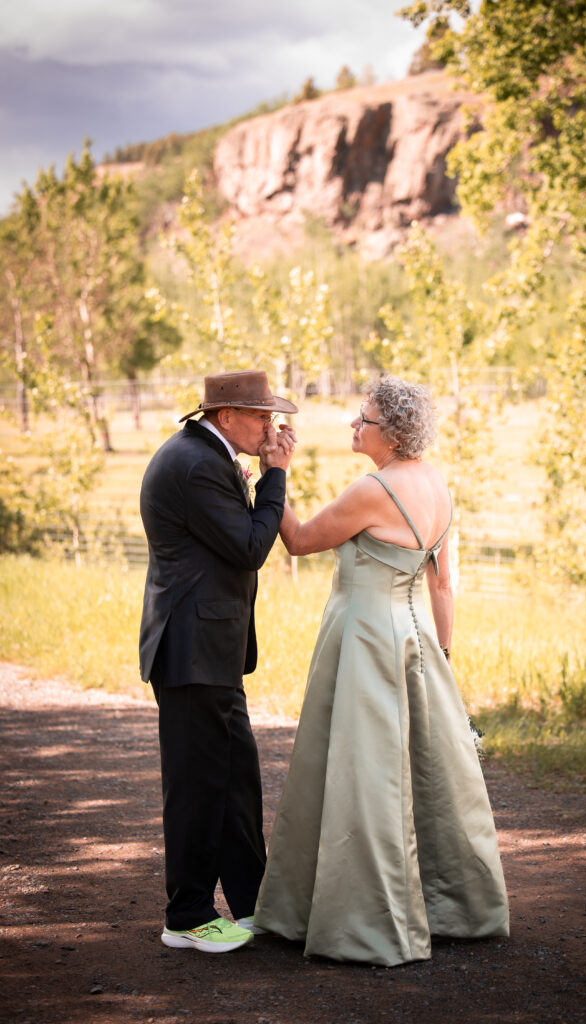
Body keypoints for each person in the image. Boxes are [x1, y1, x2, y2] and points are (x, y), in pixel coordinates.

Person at [254, 376, 509, 966]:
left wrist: (273, 478)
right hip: (415, 635)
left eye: (362, 419)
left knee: (363, 777)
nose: (353, 425)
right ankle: (452, 909)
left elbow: (296, 540)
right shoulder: (437, 484)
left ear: (391, 433)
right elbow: (442, 583)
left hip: (366, 638)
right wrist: (441, 657)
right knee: (425, 776)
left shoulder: (373, 489)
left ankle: (368, 922)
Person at [139, 370, 297, 954]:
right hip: (190, 649)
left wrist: (264, 474)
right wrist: (275, 477)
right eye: (262, 417)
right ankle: (187, 917)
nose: (272, 427)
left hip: (211, 650)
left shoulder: (207, 453)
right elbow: (251, 547)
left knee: (235, 780)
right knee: (198, 786)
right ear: (226, 415)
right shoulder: (198, 463)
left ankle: (256, 905)